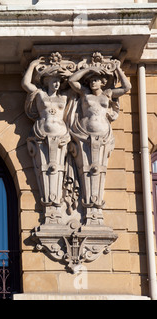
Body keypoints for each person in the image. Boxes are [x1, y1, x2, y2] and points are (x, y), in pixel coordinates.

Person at [68, 62, 131, 224]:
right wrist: (88, 69)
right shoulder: (84, 93)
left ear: (102, 82)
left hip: (103, 135)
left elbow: (126, 87)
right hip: (84, 135)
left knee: (98, 169)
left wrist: (116, 68)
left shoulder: (108, 94)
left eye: (96, 80)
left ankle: (94, 205)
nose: (92, 82)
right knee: (87, 169)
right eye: (91, 80)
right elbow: (71, 81)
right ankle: (89, 204)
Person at [22, 56, 74, 222]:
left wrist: (68, 73)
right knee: (45, 168)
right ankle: (50, 202)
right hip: (42, 135)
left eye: (58, 81)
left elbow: (79, 88)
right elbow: (26, 84)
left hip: (60, 135)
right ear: (47, 82)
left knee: (57, 168)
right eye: (53, 80)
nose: (56, 84)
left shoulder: (65, 98)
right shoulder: (40, 95)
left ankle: (56, 201)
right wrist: (31, 66)